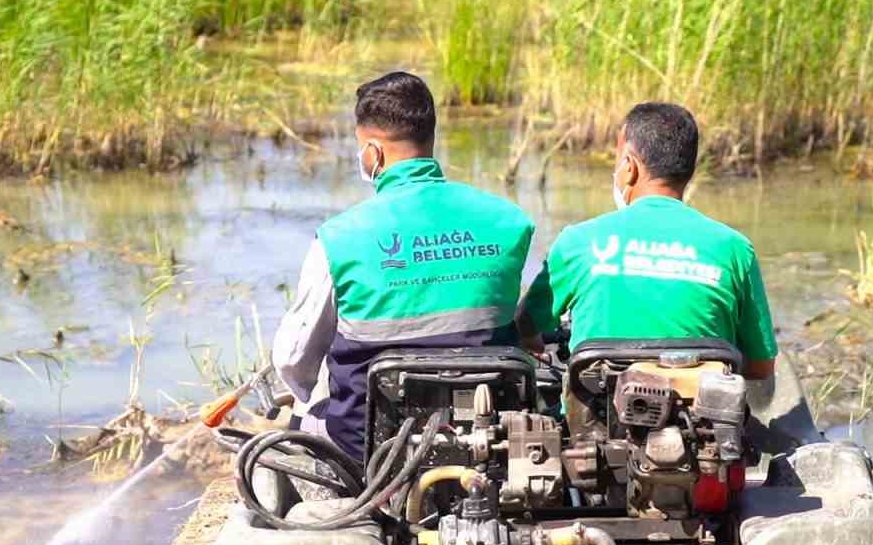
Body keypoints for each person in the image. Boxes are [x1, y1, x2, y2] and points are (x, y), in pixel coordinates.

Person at [272, 71, 536, 462]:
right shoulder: (510, 221)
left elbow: (294, 363)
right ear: (429, 140)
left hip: (367, 447)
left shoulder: (338, 238)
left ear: (373, 153)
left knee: (304, 407)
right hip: (487, 438)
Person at [517, 102, 777, 381]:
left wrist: (532, 341)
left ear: (629, 167)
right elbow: (761, 368)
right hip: (702, 422)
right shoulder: (734, 249)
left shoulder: (578, 241)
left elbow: (524, 325)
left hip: (593, 422)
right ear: (688, 169)